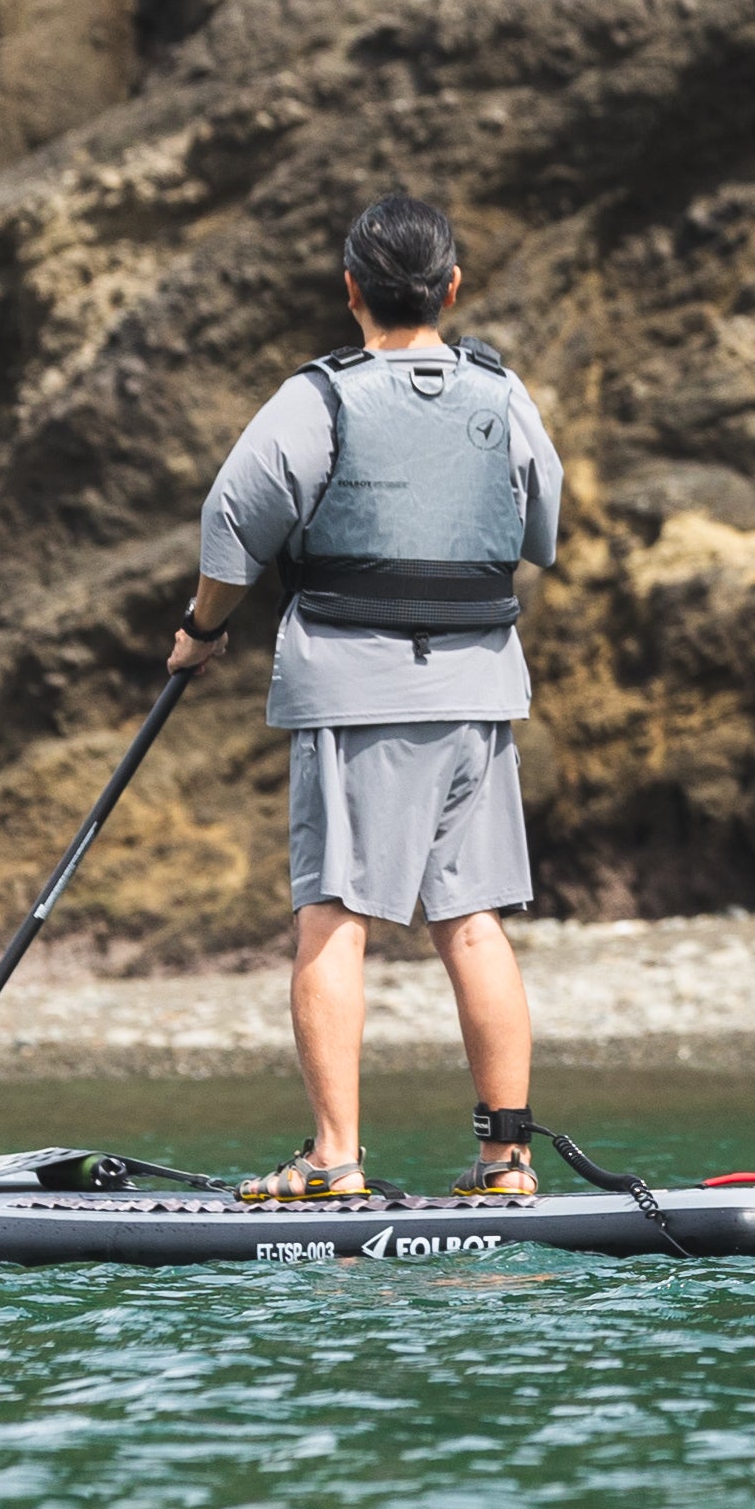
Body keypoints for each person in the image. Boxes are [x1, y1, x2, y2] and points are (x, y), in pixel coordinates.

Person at [170, 192, 572, 1204]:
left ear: (350, 291)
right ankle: (506, 1163)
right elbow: (543, 524)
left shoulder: (321, 399)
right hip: (479, 689)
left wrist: (205, 628)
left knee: (334, 918)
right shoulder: (501, 392)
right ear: (451, 290)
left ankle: (333, 1160)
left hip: (356, 694)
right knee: (473, 921)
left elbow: (233, 518)